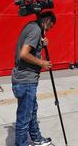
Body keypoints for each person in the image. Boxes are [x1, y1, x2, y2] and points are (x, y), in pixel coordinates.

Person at [11, 11, 56, 146]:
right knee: (24, 117)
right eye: (49, 27)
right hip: (26, 80)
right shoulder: (36, 30)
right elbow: (24, 54)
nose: (48, 30)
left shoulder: (31, 26)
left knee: (32, 111)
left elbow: (30, 50)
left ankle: (36, 137)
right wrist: (42, 63)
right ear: (47, 20)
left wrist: (41, 45)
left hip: (26, 79)